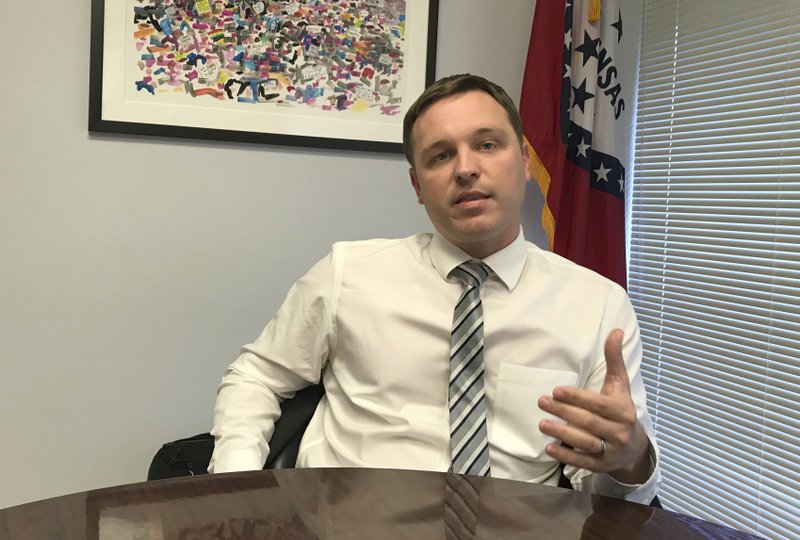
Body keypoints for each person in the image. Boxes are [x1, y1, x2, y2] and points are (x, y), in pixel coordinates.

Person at [209, 73, 659, 504]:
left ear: (524, 162)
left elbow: (608, 497)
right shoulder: (348, 273)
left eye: (486, 145)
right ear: (417, 185)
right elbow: (255, 377)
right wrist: (240, 489)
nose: (466, 169)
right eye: (440, 156)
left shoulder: (597, 305)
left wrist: (629, 460)